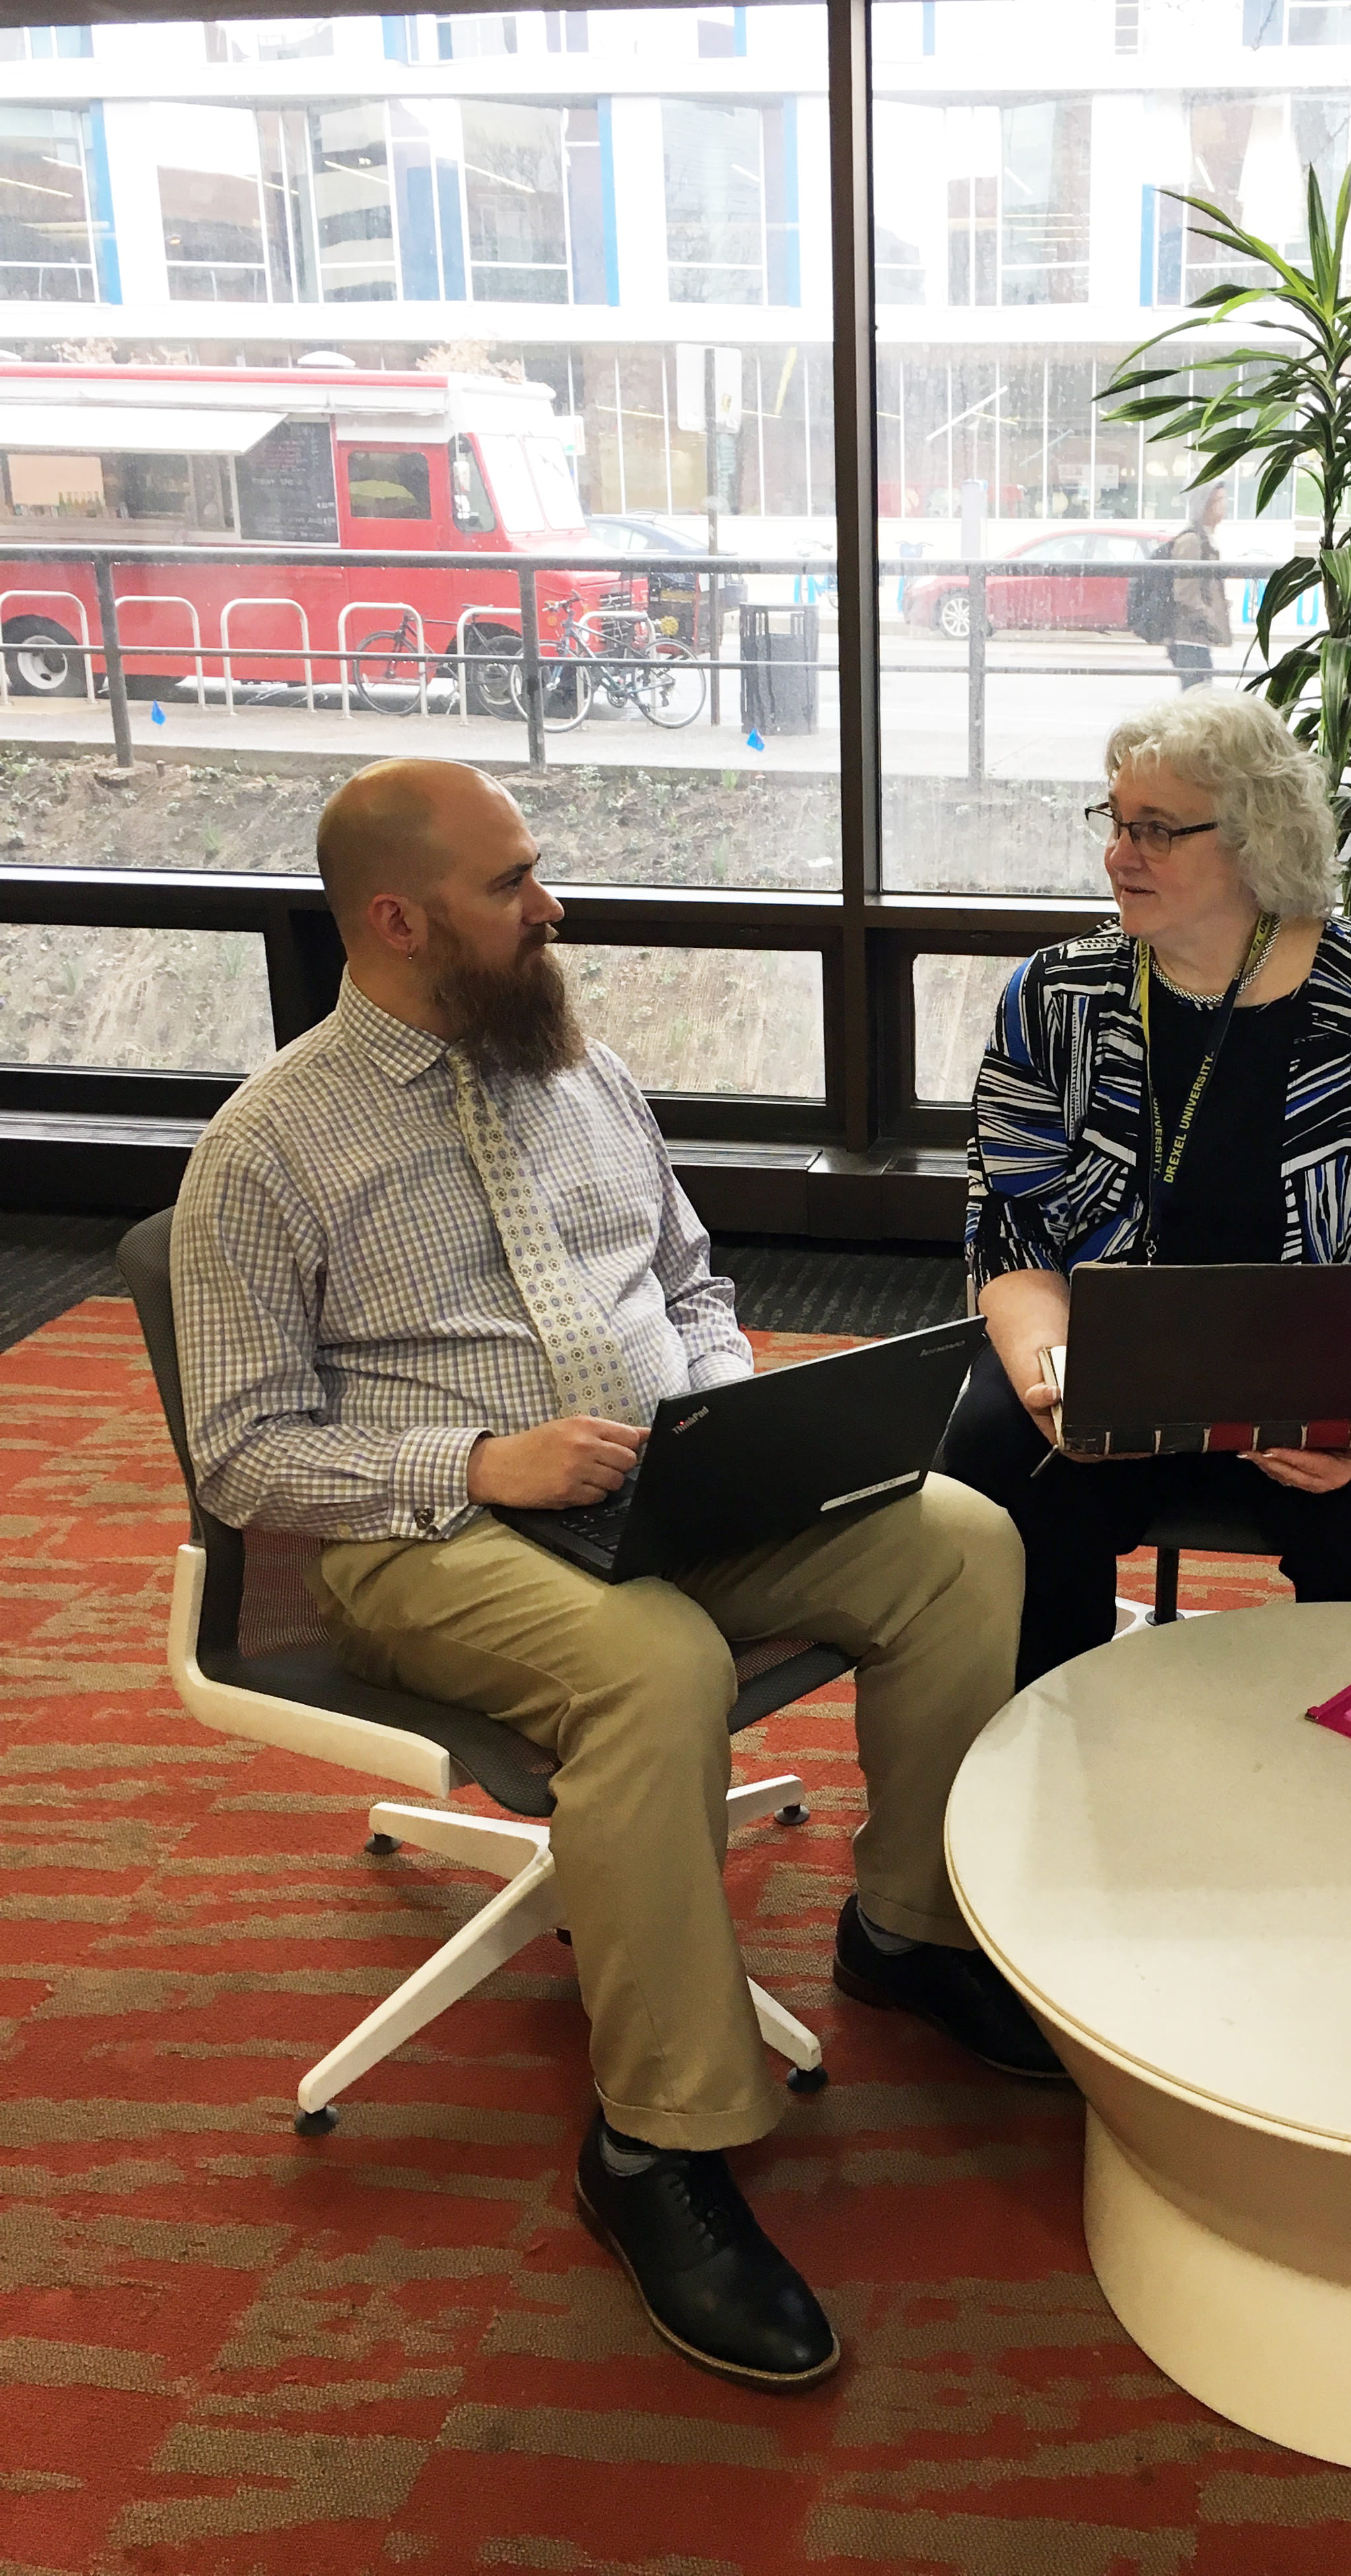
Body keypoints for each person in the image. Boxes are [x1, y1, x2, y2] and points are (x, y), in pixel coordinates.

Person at [172, 757, 1056, 2394]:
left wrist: (724, 1421)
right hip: (424, 1541)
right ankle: (655, 2143)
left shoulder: (586, 1072)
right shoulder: (269, 1147)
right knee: (655, 1666)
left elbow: (692, 1279)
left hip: (666, 1492)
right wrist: (475, 1464)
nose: (552, 906)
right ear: (398, 920)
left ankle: (910, 1933)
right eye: (511, 883)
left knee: (959, 1540)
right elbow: (240, 1455)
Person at [937, 698, 1351, 1692]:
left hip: (1317, 1375)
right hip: (1104, 1363)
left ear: (1254, 840)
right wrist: (1053, 1384)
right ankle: (1031, 1753)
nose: (1119, 856)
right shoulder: (1056, 998)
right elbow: (1010, 1231)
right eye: (1115, 822)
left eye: (1155, 830)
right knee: (992, 1472)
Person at [1163, 483, 1231, 692]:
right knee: (1197, 698)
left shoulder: (1204, 539)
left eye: (1224, 499)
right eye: (1218, 500)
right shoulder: (1192, 541)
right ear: (1204, 505)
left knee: (1200, 695)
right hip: (1190, 638)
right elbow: (1185, 593)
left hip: (1198, 639)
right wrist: (1210, 618)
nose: (1224, 506)